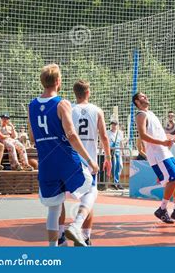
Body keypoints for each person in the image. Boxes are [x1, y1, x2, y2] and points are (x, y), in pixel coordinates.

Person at [28, 63, 99, 246]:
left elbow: (31, 136)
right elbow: (72, 135)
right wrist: (90, 161)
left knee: (54, 208)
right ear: (58, 81)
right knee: (91, 188)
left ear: (42, 82)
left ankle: (54, 250)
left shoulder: (32, 105)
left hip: (46, 163)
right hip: (65, 159)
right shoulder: (62, 103)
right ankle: (76, 225)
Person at [58, 80, 112, 246]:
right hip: (89, 162)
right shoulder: (97, 110)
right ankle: (84, 235)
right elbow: (103, 136)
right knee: (88, 199)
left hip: (70, 159)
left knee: (60, 199)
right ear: (88, 92)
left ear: (75, 93)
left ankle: (61, 235)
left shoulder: (69, 110)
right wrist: (108, 158)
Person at [133, 92, 175, 223]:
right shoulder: (140, 115)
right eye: (142, 96)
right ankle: (162, 209)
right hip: (157, 154)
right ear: (137, 102)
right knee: (174, 178)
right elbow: (143, 136)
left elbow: (159, 134)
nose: (146, 96)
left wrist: (171, 138)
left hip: (164, 151)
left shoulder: (151, 114)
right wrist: (162, 143)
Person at [108, 120, 124, 189]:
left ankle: (116, 181)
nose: (114, 126)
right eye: (112, 124)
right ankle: (115, 182)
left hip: (118, 152)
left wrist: (122, 151)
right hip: (111, 152)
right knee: (113, 166)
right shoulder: (108, 132)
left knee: (120, 166)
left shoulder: (120, 133)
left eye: (115, 124)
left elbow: (121, 142)